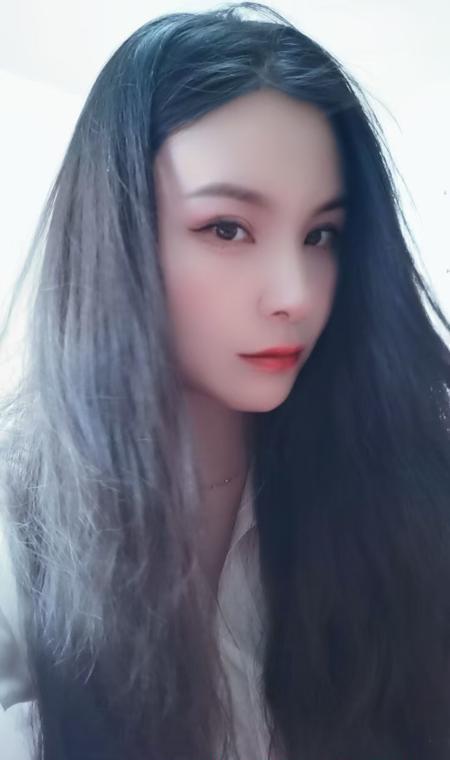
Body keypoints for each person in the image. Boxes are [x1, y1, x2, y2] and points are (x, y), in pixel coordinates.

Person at [0, 2, 449, 759]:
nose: (295, 294)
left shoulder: (406, 485)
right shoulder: (21, 528)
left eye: (322, 235)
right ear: (117, 232)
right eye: (227, 228)